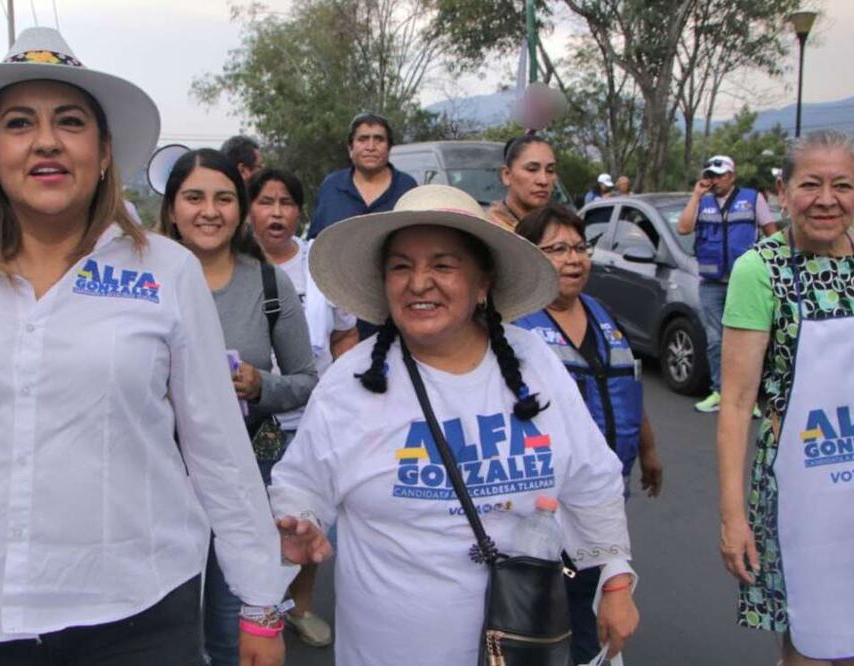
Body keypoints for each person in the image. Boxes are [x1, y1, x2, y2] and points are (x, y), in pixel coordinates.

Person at [0, 27, 293, 666]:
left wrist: (260, 605)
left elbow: (218, 448)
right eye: (20, 123)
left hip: (143, 613)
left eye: (70, 122)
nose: (46, 140)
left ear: (103, 153)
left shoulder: (166, 271)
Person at [272, 184, 640, 665]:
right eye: (401, 266)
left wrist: (614, 580)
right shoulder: (351, 384)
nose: (419, 282)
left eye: (443, 265)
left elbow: (590, 476)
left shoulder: (534, 364)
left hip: (522, 643)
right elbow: (300, 487)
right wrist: (299, 524)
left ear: (483, 282)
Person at [717, 130, 854, 665]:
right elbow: (736, 403)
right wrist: (732, 517)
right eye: (810, 184)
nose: (826, 199)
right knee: (812, 646)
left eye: (842, 185)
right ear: (783, 190)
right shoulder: (760, 270)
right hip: (802, 494)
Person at [155, 148, 317, 665]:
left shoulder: (270, 284)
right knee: (162, 624)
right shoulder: (141, 284)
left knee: (235, 621)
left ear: (240, 208)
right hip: (155, 477)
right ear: (173, 208)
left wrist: (261, 385)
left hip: (247, 469)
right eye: (194, 197)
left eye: (224, 198)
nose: (209, 210)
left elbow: (306, 380)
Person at [512, 203, 663, 664]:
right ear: (530, 257)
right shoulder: (516, 327)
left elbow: (627, 384)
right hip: (545, 503)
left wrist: (650, 449)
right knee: (545, 609)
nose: (574, 259)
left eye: (579, 247)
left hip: (604, 490)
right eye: (557, 249)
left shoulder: (602, 313)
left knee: (594, 596)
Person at [247, 167, 358, 648]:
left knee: (308, 517)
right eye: (266, 202)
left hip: (314, 418)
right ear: (248, 209)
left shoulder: (320, 265)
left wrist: (344, 393)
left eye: (286, 202)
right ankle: (252, 609)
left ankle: (302, 607)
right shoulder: (232, 266)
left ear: (300, 211)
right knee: (251, 522)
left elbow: (346, 334)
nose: (277, 213)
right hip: (252, 420)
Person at [677, 154, 778, 413]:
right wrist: (696, 196)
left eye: (720, 175)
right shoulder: (703, 201)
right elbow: (683, 228)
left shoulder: (753, 199)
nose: (715, 180)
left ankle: (748, 398)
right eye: (711, 174)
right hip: (711, 283)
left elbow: (772, 234)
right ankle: (719, 391)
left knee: (746, 341)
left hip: (744, 282)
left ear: (732, 175)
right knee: (715, 340)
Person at [305, 112, 416, 240]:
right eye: (363, 139)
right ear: (350, 149)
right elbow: (315, 243)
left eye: (379, 139)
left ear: (389, 148)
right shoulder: (331, 187)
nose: (370, 147)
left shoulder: (407, 188)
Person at [487, 132, 557, 232]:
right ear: (506, 175)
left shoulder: (561, 228)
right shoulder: (488, 230)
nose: (543, 180)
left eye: (550, 170)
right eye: (532, 169)